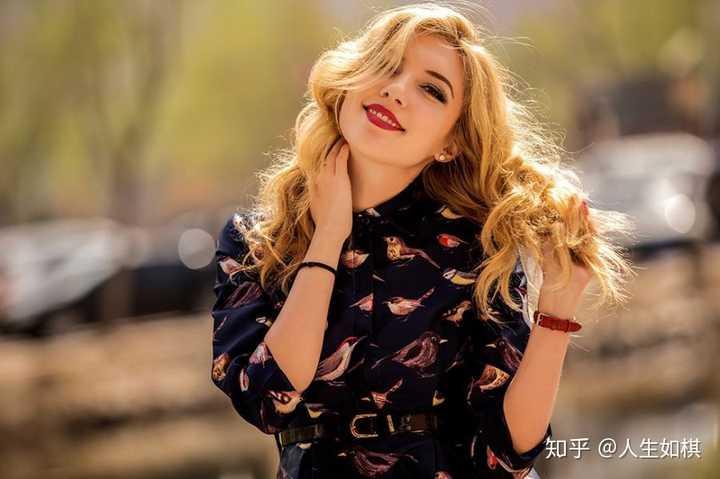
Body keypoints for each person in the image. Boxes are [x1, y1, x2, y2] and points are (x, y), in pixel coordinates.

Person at [210, 3, 635, 478]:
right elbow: (266, 398)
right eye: (386, 65)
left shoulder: (475, 250)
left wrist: (557, 309)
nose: (396, 90)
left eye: (431, 89)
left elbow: (507, 455)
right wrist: (328, 236)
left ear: (450, 143)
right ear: (350, 80)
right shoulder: (258, 241)